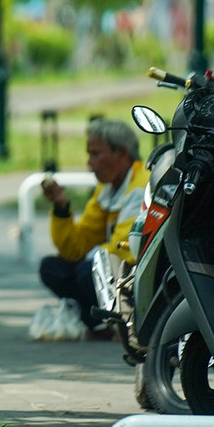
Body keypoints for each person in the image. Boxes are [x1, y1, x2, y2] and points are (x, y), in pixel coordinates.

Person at [38, 119, 147, 337]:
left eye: (96, 154)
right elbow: (75, 248)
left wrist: (91, 258)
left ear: (122, 154)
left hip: (137, 273)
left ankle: (117, 322)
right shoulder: (106, 189)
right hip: (112, 268)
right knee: (52, 268)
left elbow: (123, 248)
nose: (90, 163)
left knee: (86, 271)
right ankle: (100, 324)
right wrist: (61, 207)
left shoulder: (141, 185)